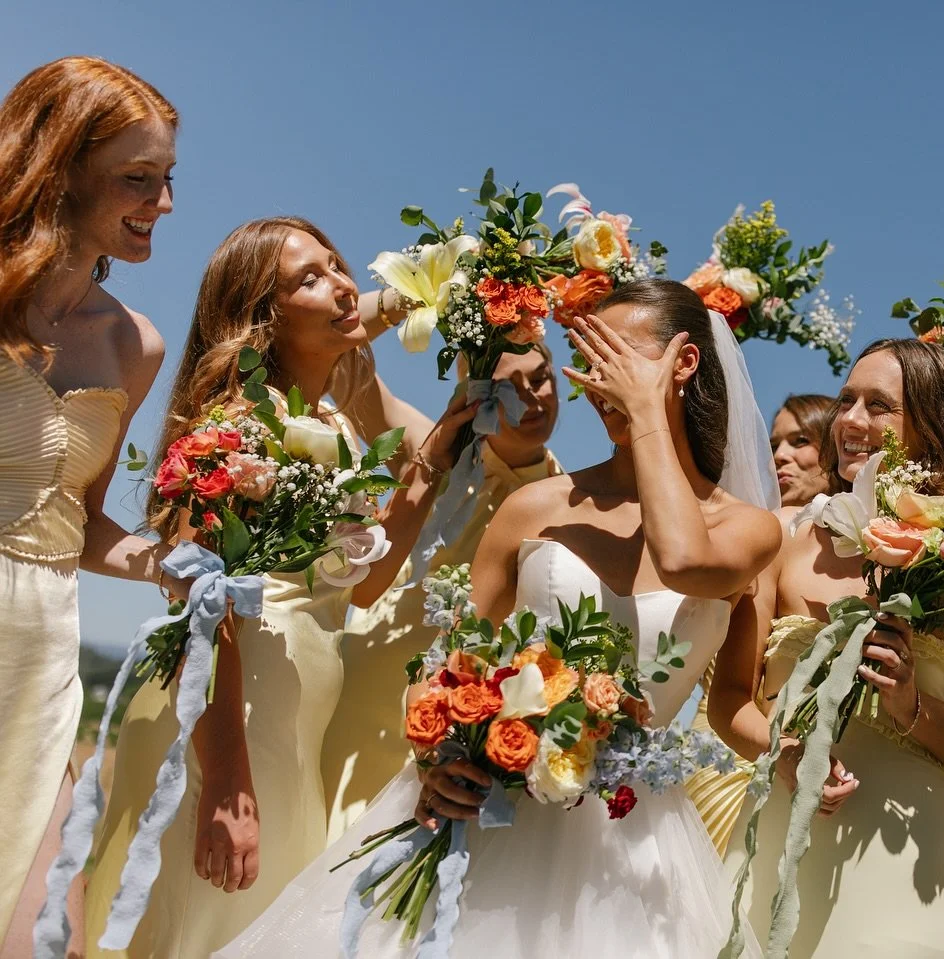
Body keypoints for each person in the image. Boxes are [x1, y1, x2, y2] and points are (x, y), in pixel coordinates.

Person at [217, 277, 781, 958]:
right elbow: (448, 664)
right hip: (491, 812)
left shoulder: (747, 530)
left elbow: (689, 573)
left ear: (683, 363)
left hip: (636, 847)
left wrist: (803, 751)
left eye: (619, 359)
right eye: (591, 360)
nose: (598, 381)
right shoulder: (534, 507)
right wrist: (435, 751)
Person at [85, 217, 475, 958]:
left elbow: (362, 590)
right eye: (309, 278)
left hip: (301, 702)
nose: (339, 284)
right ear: (264, 317)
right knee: (211, 926)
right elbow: (202, 613)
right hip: (235, 702)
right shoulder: (231, 431)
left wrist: (428, 462)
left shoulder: (334, 423)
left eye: (338, 264)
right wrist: (228, 777)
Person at [710, 338, 944, 958]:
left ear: (930, 426)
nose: (850, 420)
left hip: (906, 854)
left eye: (879, 406)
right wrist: (785, 754)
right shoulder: (783, 543)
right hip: (781, 826)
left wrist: (912, 707)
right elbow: (730, 702)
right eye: (847, 399)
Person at [0, 56, 178, 955]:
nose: (164, 201)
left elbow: (83, 520)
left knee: (42, 930)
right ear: (60, 169)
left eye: (167, 178)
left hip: (41, 649)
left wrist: (164, 560)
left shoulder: (133, 344)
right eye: (138, 179)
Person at [322, 316, 562, 839]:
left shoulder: (567, 497)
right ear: (473, 393)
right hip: (376, 686)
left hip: (473, 718)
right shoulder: (433, 447)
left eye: (540, 379)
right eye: (506, 387)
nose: (532, 397)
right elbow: (340, 362)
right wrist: (419, 296)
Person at [687, 392, 836, 852]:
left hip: (809, 773)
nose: (780, 456)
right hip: (718, 762)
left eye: (800, 440)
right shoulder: (745, 537)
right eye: (774, 443)